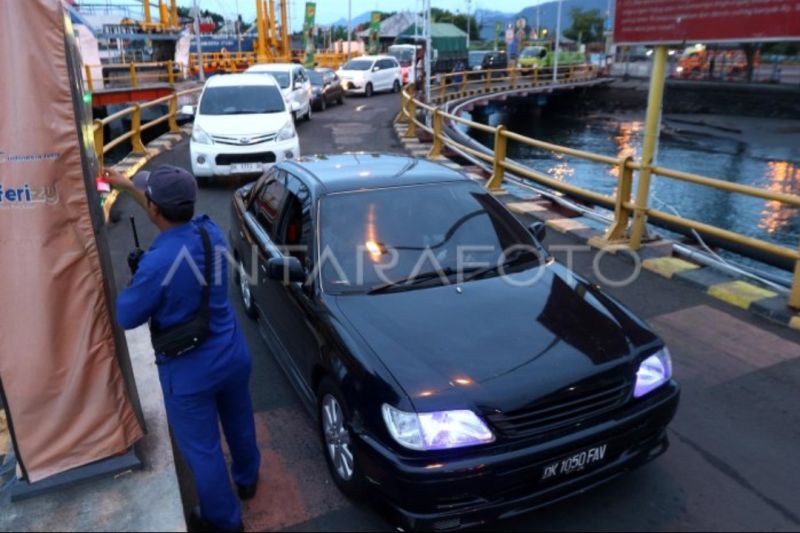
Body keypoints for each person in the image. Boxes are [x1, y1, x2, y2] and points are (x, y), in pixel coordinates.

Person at [104, 165, 261, 533]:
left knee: (203, 450)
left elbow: (127, 315)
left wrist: (137, 277)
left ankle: (224, 521)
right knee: (239, 422)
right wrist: (128, 187)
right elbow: (167, 214)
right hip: (232, 354)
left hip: (190, 371)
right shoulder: (209, 232)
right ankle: (248, 479)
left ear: (155, 210)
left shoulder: (156, 264)